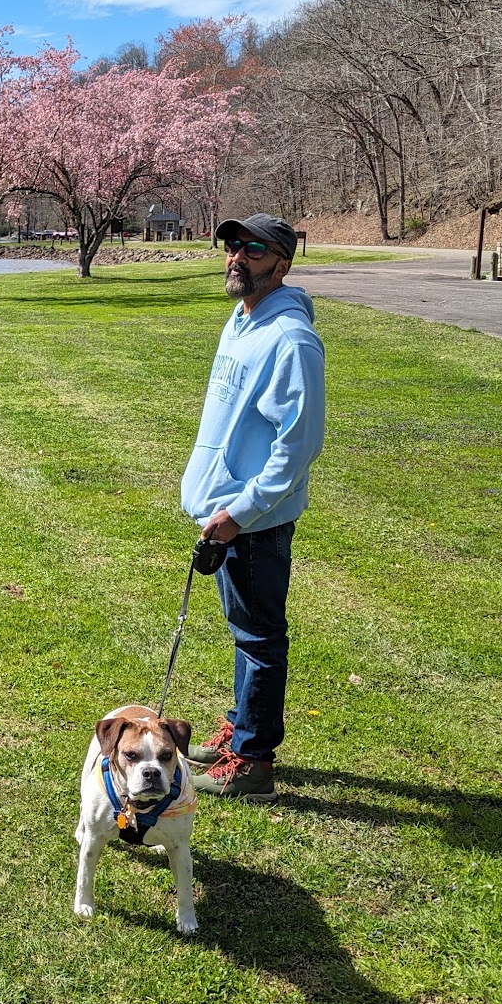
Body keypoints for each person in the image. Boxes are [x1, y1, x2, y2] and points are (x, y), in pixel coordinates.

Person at [180, 214, 325, 800]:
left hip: (252, 522)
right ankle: (240, 731)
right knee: (245, 633)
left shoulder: (291, 340)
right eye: (233, 245)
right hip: (225, 513)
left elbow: (298, 445)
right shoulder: (241, 319)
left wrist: (239, 512)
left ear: (282, 264)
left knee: (260, 639)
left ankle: (253, 763)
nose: (237, 255)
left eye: (254, 249)